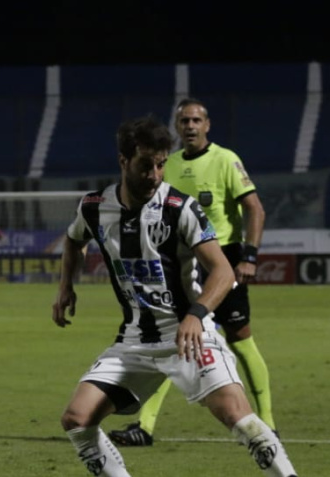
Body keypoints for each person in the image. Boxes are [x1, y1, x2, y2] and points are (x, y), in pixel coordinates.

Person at [51, 114, 328, 477]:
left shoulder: (179, 208)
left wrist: (197, 314)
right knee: (77, 419)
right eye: (145, 165)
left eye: (161, 164)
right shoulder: (93, 207)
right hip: (134, 341)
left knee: (238, 416)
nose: (155, 174)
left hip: (188, 335)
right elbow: (72, 240)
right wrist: (65, 286)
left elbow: (222, 272)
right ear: (123, 161)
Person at [109, 97, 273, 447]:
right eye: (184, 120)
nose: (190, 126)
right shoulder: (166, 164)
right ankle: (145, 426)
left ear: (207, 125)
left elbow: (255, 209)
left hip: (221, 260)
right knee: (170, 340)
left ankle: (268, 423)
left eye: (196, 120)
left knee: (241, 339)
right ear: (177, 126)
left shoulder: (225, 159)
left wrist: (249, 256)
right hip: (180, 262)